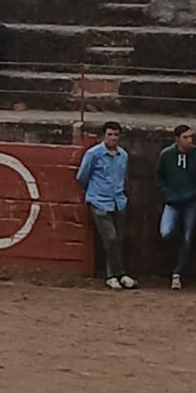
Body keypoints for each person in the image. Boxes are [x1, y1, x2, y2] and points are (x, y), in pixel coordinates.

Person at [77, 121, 136, 290]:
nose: (113, 138)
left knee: (118, 239)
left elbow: (124, 177)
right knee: (110, 238)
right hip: (99, 200)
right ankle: (116, 274)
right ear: (104, 135)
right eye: (110, 134)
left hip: (118, 200)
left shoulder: (123, 155)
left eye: (116, 135)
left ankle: (116, 274)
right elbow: (82, 176)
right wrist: (94, 192)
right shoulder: (93, 154)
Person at [157, 123, 196, 289]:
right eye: (185, 137)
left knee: (188, 237)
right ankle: (173, 259)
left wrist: (191, 195)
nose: (189, 141)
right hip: (172, 200)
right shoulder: (166, 155)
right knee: (166, 232)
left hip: (191, 202)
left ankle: (178, 272)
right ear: (177, 139)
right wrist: (168, 194)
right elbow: (160, 177)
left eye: (190, 137)